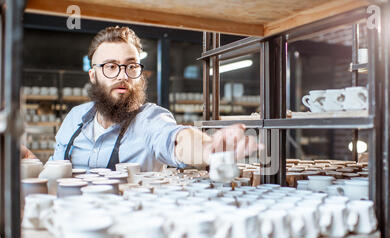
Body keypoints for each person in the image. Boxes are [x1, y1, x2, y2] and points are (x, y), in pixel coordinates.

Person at [21, 26, 260, 171]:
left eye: (131, 66)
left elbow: (176, 140)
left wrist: (207, 148)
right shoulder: (74, 118)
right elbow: (55, 170)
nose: (123, 76)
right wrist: (34, 165)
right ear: (93, 75)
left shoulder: (149, 119)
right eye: (111, 67)